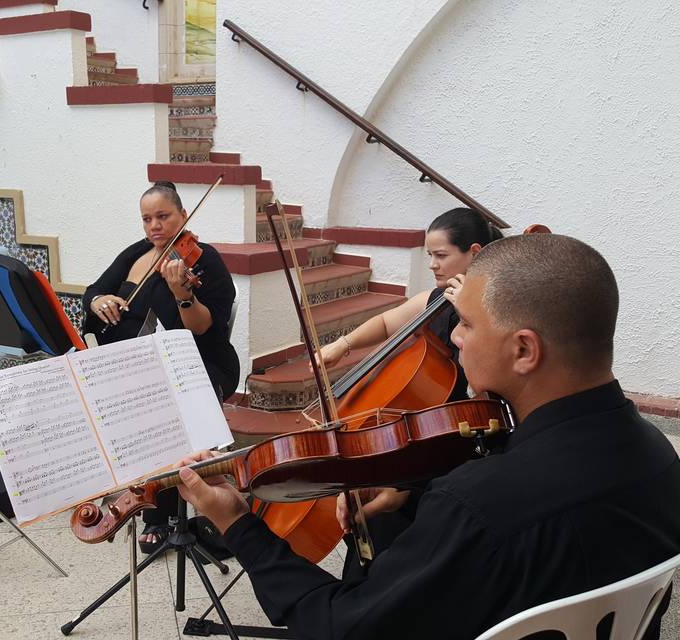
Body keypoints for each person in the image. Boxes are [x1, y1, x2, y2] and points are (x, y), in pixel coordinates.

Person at [176, 233, 680, 639]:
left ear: (525, 350)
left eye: (463, 323)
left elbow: (337, 626)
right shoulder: (660, 457)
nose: (453, 337)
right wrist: (409, 492)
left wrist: (238, 524)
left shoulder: (476, 505)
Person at [320, 207, 503, 574]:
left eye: (441, 255)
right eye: (429, 256)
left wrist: (471, 309)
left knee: (387, 520)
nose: (433, 265)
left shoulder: (492, 309)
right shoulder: (436, 299)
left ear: (475, 253)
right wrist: (341, 346)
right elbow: (388, 321)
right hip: (425, 432)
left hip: (463, 442)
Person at [82, 180, 240, 553]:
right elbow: (93, 290)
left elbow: (206, 330)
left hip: (201, 365)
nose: (154, 226)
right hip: (139, 365)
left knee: (158, 404)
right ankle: (146, 494)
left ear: (182, 215)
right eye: (147, 218)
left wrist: (184, 296)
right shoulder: (137, 253)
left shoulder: (204, 260)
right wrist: (100, 300)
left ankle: (164, 513)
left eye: (163, 216)